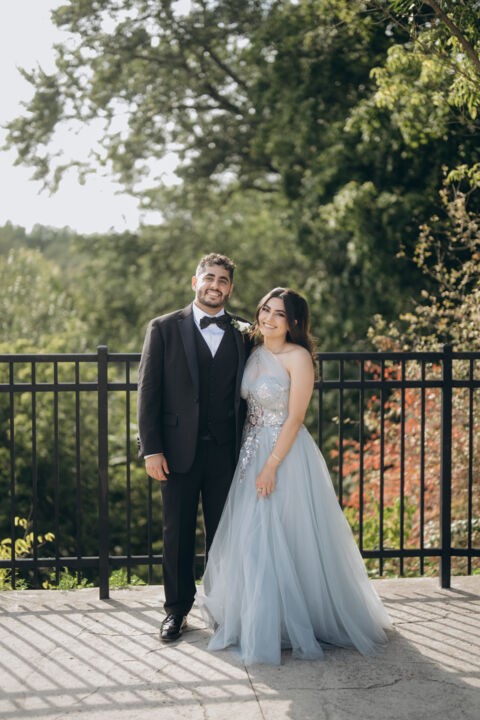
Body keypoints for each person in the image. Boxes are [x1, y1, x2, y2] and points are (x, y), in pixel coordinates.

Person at [198, 287, 392, 665]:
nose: (268, 318)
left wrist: (272, 465)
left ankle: (295, 621)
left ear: (294, 322)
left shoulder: (298, 357)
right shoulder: (253, 351)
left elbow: (295, 417)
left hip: (283, 454)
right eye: (265, 310)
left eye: (279, 314)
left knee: (284, 534)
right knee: (252, 537)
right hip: (250, 451)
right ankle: (260, 618)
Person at [137, 253, 251, 642]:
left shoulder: (244, 332)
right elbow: (148, 391)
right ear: (195, 282)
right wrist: (151, 449)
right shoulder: (164, 328)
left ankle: (222, 610)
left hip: (227, 452)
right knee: (177, 534)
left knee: (224, 535)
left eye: (223, 280)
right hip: (175, 452)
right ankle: (176, 611)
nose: (215, 285)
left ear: (230, 288)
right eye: (209, 277)